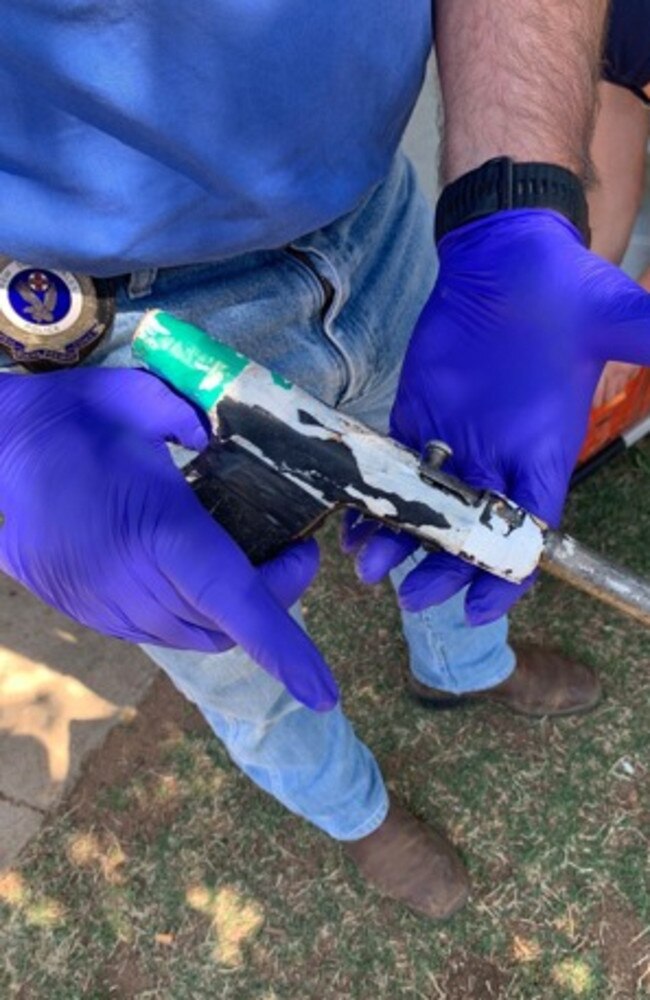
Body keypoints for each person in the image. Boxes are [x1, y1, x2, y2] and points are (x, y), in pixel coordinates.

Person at [1, 1, 650, 921]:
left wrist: (515, 196)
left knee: (466, 508)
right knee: (238, 652)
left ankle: (463, 669)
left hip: (374, 218)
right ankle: (355, 812)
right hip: (91, 340)